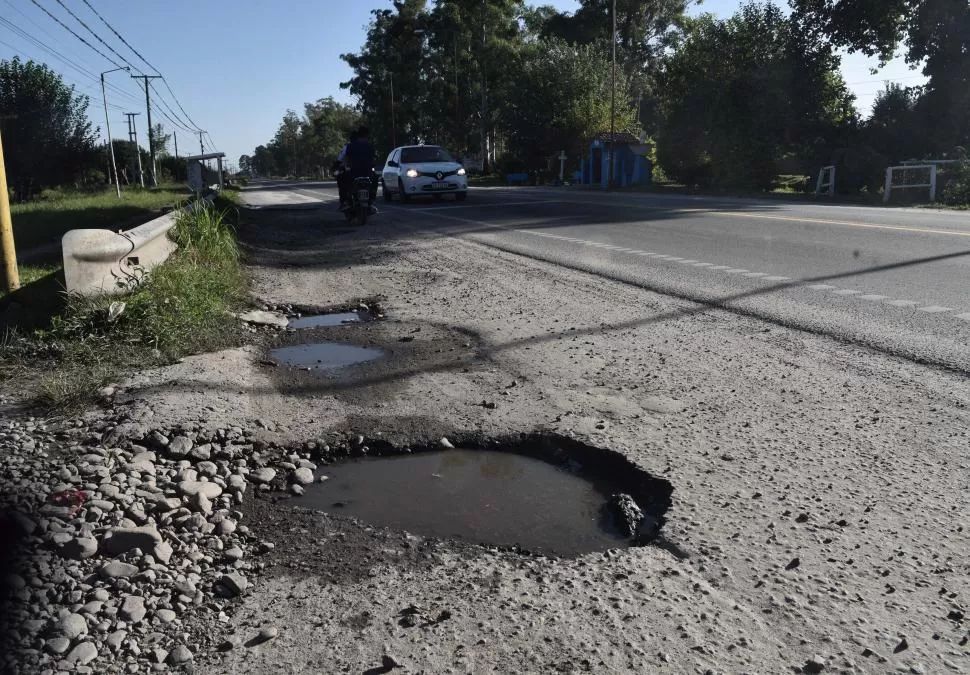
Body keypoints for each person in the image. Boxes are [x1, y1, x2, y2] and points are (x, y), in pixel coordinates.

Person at [343, 126, 377, 210]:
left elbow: (347, 160)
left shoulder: (351, 146)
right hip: (367, 173)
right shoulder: (370, 146)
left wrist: (347, 166)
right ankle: (372, 199)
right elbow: (373, 160)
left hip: (354, 172)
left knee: (344, 180)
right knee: (375, 179)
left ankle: (347, 200)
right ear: (367, 135)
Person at [335, 131, 358, 209]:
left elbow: (340, 158)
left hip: (352, 171)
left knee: (341, 179)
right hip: (366, 172)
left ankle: (344, 201)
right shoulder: (367, 145)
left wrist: (336, 165)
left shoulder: (348, 147)